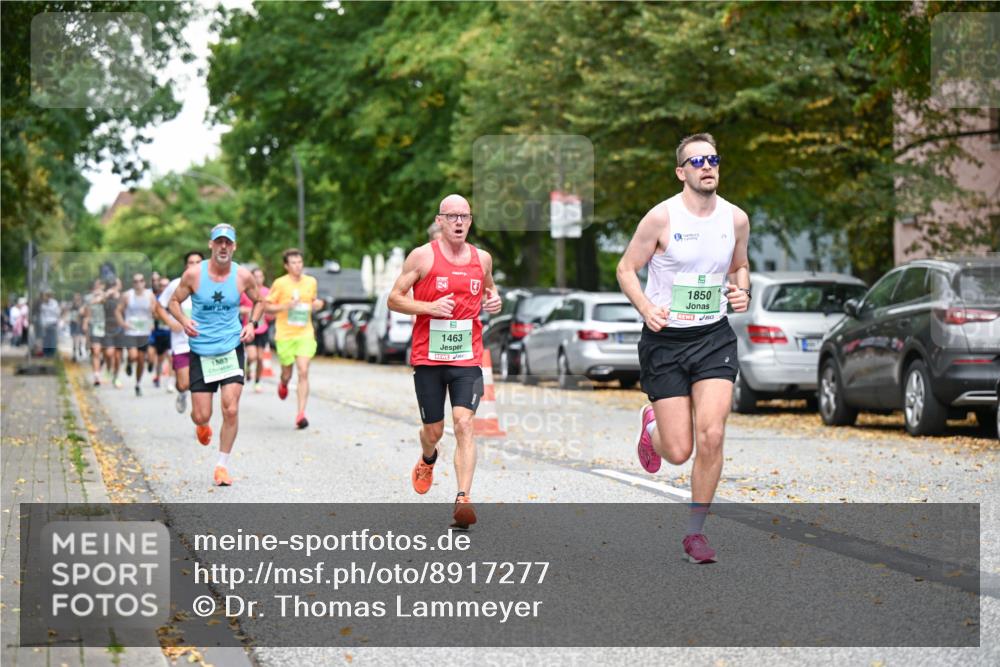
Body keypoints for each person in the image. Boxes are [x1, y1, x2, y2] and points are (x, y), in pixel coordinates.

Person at [617, 133, 751, 564]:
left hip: (714, 337)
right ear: (681, 172)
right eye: (697, 162)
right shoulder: (660, 218)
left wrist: (742, 290)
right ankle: (651, 424)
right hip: (666, 341)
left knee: (711, 434)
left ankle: (696, 532)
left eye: (713, 159)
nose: (707, 166)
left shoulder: (735, 219)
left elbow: (740, 265)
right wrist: (645, 308)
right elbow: (625, 268)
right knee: (678, 450)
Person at [387, 194, 503, 529]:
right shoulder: (422, 256)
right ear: (440, 220)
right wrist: (429, 307)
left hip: (467, 356)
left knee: (465, 423)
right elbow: (394, 298)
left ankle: (463, 498)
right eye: (451, 216)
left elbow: (489, 291)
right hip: (428, 358)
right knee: (433, 430)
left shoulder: (482, 259)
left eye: (464, 216)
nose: (458, 222)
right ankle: (428, 457)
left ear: (470, 220)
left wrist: (494, 300)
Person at [168, 224, 264, 487]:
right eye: (219, 242)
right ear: (211, 245)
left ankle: (222, 465)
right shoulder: (194, 275)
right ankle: (201, 425)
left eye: (228, 243)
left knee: (231, 408)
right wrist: (184, 321)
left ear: (234, 246)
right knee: (201, 415)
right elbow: (173, 302)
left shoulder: (243, 276)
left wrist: (251, 324)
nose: (223, 247)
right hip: (201, 351)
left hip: (231, 347)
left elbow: (259, 301)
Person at [266, 250, 324, 429]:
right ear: (286, 265)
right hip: (285, 335)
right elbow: (267, 306)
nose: (297, 265)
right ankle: (283, 383)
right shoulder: (280, 283)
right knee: (287, 374)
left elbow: (314, 301)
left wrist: (318, 304)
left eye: (299, 262)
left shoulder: (311, 281)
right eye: (293, 263)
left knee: (303, 371)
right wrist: (285, 305)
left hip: (305, 333)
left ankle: (300, 414)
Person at [154, 252, 204, 413]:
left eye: (198, 262)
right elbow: (159, 307)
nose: (195, 265)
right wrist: (170, 322)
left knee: (200, 384)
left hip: (204, 343)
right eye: (191, 262)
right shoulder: (176, 284)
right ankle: (182, 393)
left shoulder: (210, 285)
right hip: (181, 342)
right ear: (186, 266)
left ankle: (201, 416)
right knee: (183, 383)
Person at [117, 273, 155, 397]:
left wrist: (152, 323)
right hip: (131, 331)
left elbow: (154, 311)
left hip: (144, 332)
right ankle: (128, 363)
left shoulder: (150, 296)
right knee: (133, 356)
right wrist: (123, 323)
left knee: (140, 360)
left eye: (141, 281)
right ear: (133, 283)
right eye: (136, 281)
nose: (138, 283)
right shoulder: (128, 295)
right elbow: (118, 310)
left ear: (144, 282)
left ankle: (138, 384)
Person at [240, 267, 271, 393]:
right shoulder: (245, 291)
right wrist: (245, 310)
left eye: (260, 276)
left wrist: (269, 314)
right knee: (252, 356)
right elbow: (238, 307)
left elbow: (270, 308)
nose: (258, 279)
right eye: (256, 276)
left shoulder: (267, 292)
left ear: (263, 278)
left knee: (260, 358)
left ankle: (257, 382)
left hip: (263, 329)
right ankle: (248, 367)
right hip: (249, 328)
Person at [82, 279, 107, 385]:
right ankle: (96, 376)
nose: (98, 287)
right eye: (96, 285)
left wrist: (103, 296)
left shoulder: (107, 296)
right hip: (94, 325)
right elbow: (87, 312)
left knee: (107, 352)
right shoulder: (88, 298)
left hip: (106, 326)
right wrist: (85, 323)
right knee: (95, 351)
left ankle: (102, 362)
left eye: (100, 285)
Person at [103, 279, 124, 388]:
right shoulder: (106, 297)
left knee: (117, 356)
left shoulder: (123, 297)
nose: (115, 287)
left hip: (120, 329)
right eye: (113, 285)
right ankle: (107, 368)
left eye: (117, 285)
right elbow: (96, 301)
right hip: (108, 328)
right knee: (108, 353)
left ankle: (116, 377)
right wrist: (107, 295)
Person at [39, 290, 61, 357]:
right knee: (46, 339)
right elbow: (42, 315)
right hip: (45, 325)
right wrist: (42, 324)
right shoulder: (43, 304)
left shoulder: (54, 303)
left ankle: (52, 353)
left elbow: (57, 313)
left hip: (53, 323)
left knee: (52, 339)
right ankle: (46, 353)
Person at [69, 293, 85, 361]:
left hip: (80, 324)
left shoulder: (82, 306)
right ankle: (74, 354)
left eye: (78, 298)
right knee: (74, 340)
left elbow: (83, 314)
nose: (76, 300)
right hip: (73, 323)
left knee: (80, 339)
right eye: (75, 298)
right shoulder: (72, 306)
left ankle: (79, 349)